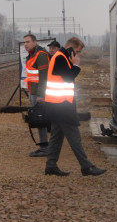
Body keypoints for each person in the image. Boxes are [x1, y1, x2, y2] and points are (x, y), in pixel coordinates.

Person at [42, 36, 105, 177]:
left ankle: (51, 166)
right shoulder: (60, 58)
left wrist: (73, 64)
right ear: (71, 49)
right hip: (61, 106)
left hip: (58, 104)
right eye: (77, 51)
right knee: (74, 136)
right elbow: (69, 77)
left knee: (56, 137)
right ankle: (86, 167)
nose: (79, 55)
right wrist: (76, 65)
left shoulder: (62, 57)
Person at [22, 33, 50, 157]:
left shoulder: (41, 55)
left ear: (35, 42)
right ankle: (47, 145)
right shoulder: (32, 55)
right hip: (33, 92)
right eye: (24, 42)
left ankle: (45, 147)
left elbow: (44, 76)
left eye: (28, 42)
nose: (25, 45)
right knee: (41, 119)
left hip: (38, 94)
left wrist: (40, 95)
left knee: (40, 120)